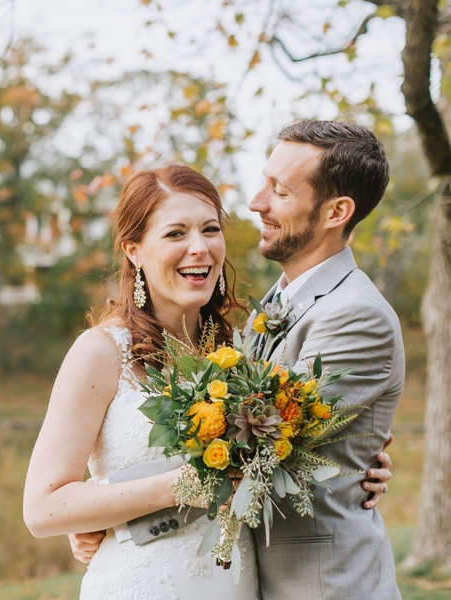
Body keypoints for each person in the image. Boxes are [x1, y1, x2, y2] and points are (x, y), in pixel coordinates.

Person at [66, 121, 401, 600]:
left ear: (337, 212)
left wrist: (102, 505)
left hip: (322, 586)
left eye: (279, 190)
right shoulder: (267, 309)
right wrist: (91, 506)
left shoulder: (353, 315)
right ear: (133, 251)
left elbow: (255, 448)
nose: (255, 201)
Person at [23, 164, 261, 599]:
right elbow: (42, 508)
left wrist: (361, 465)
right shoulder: (101, 352)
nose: (199, 248)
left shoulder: (242, 353)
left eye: (210, 229)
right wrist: (178, 486)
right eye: (175, 234)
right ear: (134, 250)